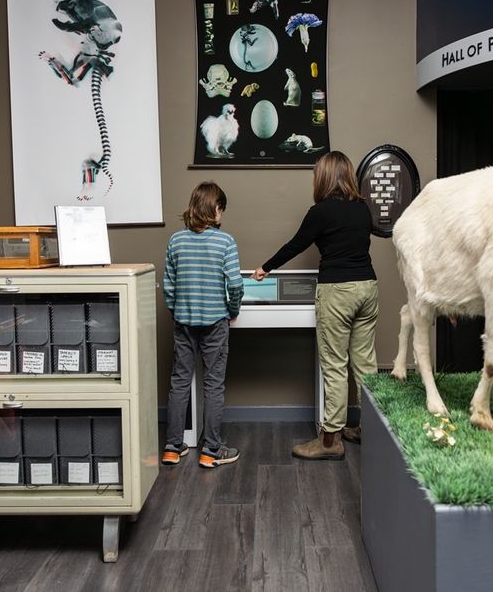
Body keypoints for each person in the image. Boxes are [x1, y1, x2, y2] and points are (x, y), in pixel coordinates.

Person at [253, 151, 378, 460]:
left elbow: (296, 244)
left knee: (334, 366)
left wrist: (266, 268)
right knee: (365, 364)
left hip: (337, 291)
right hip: (368, 287)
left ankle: (329, 442)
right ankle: (373, 431)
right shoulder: (362, 209)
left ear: (323, 178)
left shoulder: (320, 211)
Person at [162, 182, 244, 468]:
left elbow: (168, 286)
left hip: (184, 322)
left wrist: (177, 310)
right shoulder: (225, 242)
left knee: (180, 381)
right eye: (221, 208)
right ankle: (211, 451)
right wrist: (233, 310)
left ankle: (172, 447)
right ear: (215, 208)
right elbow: (235, 284)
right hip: (215, 322)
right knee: (213, 384)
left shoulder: (176, 241)